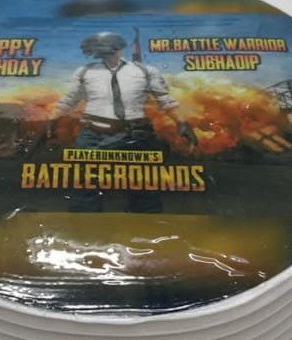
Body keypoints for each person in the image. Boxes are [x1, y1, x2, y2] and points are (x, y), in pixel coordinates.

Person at [48, 31, 197, 212]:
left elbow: (164, 100)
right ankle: (83, 224)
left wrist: (181, 123)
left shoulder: (145, 71)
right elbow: (68, 101)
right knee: (85, 186)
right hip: (93, 134)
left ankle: (146, 223)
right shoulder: (85, 71)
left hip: (135, 135)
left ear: (117, 47)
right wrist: (52, 121)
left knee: (144, 187)